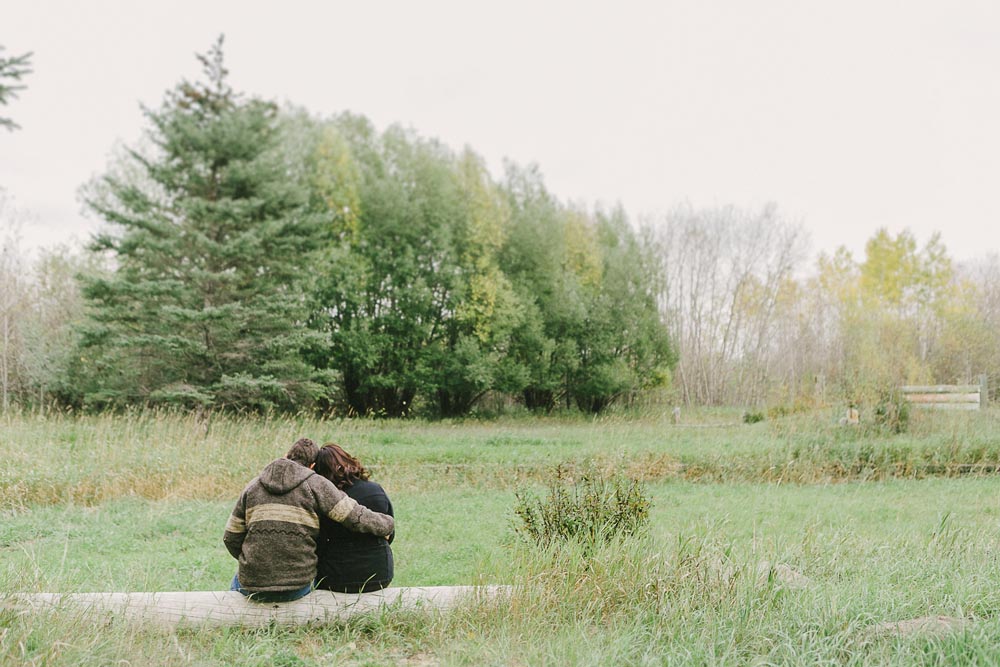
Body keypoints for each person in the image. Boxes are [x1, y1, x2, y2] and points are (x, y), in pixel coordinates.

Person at [223, 438, 395, 602]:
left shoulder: (252, 486)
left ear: (286, 456)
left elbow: (231, 537)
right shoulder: (316, 483)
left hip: (252, 585)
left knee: (236, 583)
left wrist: (257, 561)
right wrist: (387, 524)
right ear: (312, 466)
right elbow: (354, 516)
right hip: (297, 587)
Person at [313, 443, 394, 593]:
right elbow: (390, 534)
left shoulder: (325, 500)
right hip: (380, 575)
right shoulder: (376, 489)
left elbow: (319, 543)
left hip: (336, 578)